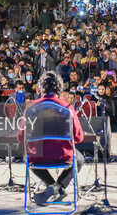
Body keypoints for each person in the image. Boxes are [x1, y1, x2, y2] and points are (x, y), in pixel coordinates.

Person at [17, 72, 84, 205]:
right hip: (63, 154)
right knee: (80, 159)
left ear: (40, 88)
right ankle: (58, 186)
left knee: (26, 157)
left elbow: (21, 138)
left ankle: (52, 186)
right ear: (59, 88)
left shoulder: (30, 108)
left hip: (37, 155)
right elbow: (78, 137)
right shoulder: (67, 108)